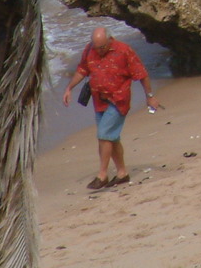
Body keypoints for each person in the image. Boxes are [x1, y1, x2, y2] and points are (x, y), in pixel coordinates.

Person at [62, 26, 162, 190]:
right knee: (112, 138)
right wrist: (69, 88)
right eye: (96, 47)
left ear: (110, 40)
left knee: (104, 135)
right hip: (99, 100)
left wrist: (149, 97)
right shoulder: (90, 50)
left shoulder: (124, 51)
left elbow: (141, 74)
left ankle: (102, 175)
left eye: (102, 47)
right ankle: (122, 173)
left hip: (118, 100)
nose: (99, 51)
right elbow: (82, 69)